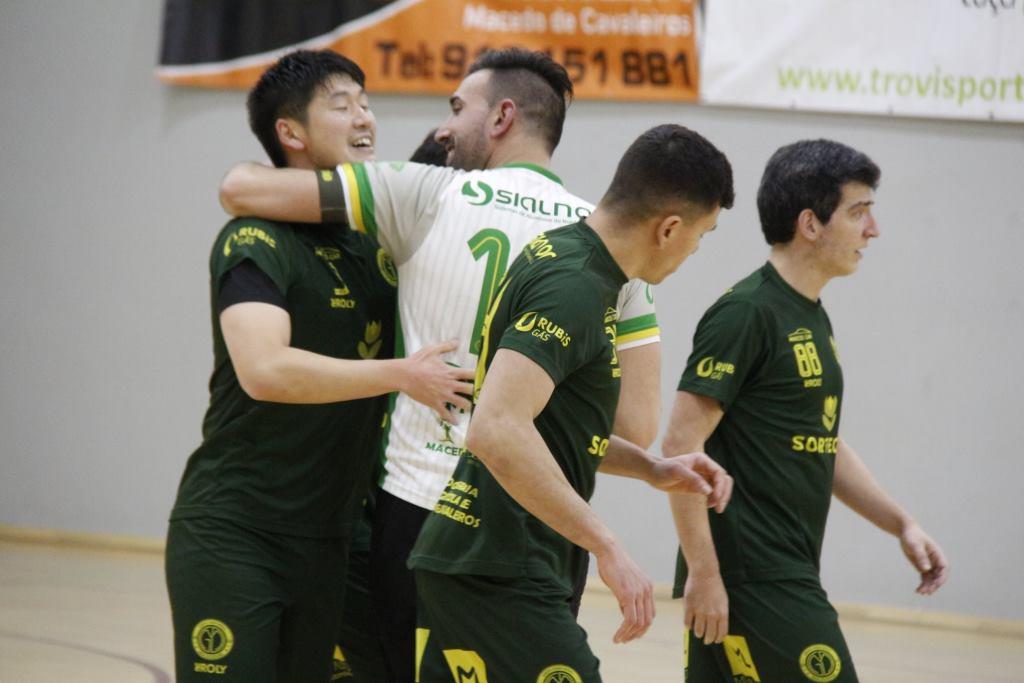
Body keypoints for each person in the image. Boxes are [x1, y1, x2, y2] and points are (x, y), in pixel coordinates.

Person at [219, 48, 663, 682]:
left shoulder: (422, 190)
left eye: (457, 108)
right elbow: (635, 424)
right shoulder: (607, 242)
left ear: (502, 117)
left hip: (419, 509)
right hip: (539, 517)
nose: (445, 128)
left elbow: (241, 189)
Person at [165, 50, 472, 683]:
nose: (364, 118)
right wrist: (402, 375)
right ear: (291, 132)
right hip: (238, 530)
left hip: (333, 537)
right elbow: (265, 370)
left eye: (366, 103)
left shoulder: (373, 242)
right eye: (341, 105)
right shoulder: (254, 239)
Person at [408, 124, 736, 682]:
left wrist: (651, 468)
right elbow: (497, 428)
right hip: (500, 565)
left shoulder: (568, 256)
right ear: (669, 228)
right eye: (701, 235)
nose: (694, 251)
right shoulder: (575, 286)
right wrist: (608, 545)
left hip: (487, 557)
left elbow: (548, 426)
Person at [664, 139, 949, 682]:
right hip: (752, 576)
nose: (873, 230)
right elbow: (680, 446)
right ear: (810, 224)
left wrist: (902, 525)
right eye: (858, 212)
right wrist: (705, 573)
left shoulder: (809, 314)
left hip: (779, 570)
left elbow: (821, 441)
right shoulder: (746, 313)